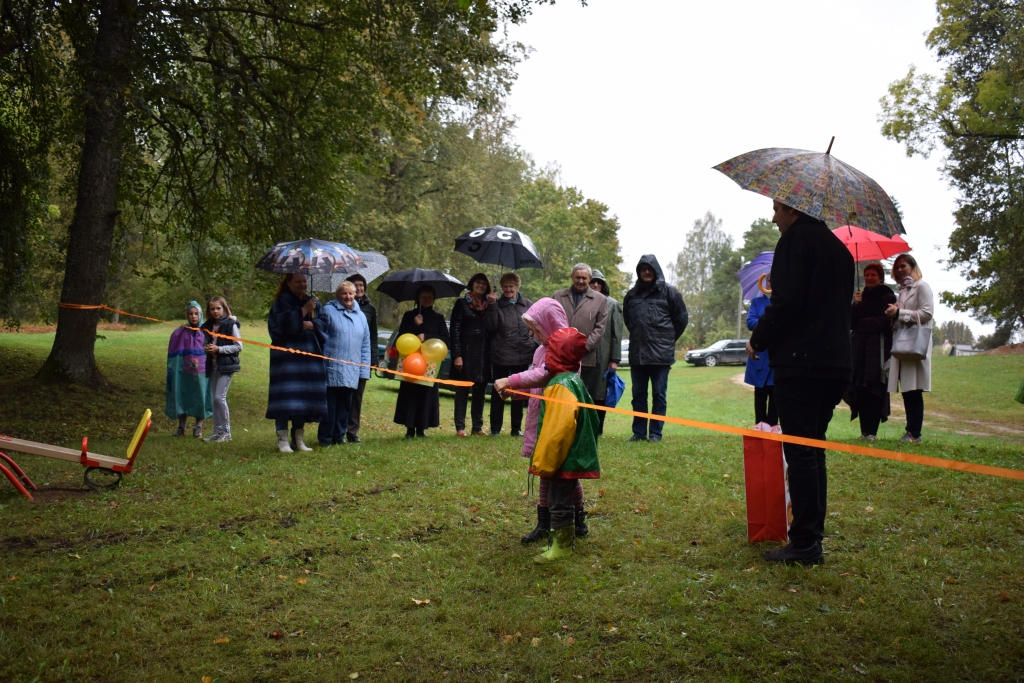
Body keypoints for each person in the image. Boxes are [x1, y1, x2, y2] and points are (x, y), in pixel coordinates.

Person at [746, 200, 854, 566]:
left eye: (777, 208)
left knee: (802, 450)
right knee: (813, 447)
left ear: (794, 209)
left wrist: (759, 337)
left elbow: (786, 302)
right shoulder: (840, 248)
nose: (773, 217)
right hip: (835, 363)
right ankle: (811, 536)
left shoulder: (794, 240)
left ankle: (806, 542)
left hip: (802, 363)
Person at [493, 299, 590, 542]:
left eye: (537, 329)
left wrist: (511, 380)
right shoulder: (540, 351)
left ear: (551, 324)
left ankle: (577, 520)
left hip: (558, 421)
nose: (533, 335)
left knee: (566, 474)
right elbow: (536, 382)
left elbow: (545, 374)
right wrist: (516, 391)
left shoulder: (565, 351)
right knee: (545, 471)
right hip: (543, 418)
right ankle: (544, 522)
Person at [526, 327, 600, 564]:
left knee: (559, 503)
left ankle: (562, 547)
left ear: (556, 354)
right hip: (568, 455)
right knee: (561, 500)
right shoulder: (573, 380)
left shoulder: (560, 386)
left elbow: (558, 430)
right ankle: (560, 542)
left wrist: (547, 461)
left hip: (562, 458)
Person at [621, 255, 688, 442]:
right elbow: (629, 320)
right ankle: (639, 433)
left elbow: (681, 319)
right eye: (643, 269)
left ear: (656, 270)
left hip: (661, 356)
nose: (646, 272)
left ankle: (656, 433)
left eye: (649, 268)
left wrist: (666, 340)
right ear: (639, 272)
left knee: (659, 395)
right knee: (638, 395)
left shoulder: (670, 292)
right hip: (638, 354)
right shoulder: (632, 295)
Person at [266, 273, 329, 453]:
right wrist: (303, 310)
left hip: (309, 357)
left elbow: (325, 322)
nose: (302, 285)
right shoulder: (282, 301)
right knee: (285, 397)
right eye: (298, 282)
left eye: (304, 281)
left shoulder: (314, 302)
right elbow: (282, 326)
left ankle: (298, 439)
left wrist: (309, 324)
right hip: (286, 358)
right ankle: (282, 440)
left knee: (303, 397)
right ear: (288, 282)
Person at [845, 262, 897, 440]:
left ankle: (872, 431)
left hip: (877, 349)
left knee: (874, 388)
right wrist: (855, 305)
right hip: (859, 350)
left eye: (873, 275)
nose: (869, 278)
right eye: (867, 275)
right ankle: (864, 431)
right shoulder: (861, 296)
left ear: (880, 277)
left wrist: (862, 324)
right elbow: (851, 322)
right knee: (860, 388)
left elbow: (884, 321)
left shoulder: (887, 295)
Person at [886, 253, 933, 443]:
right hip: (903, 344)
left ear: (912, 267)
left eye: (903, 266)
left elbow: (927, 313)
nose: (899, 270)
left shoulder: (922, 287)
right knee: (907, 388)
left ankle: (914, 432)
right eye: (897, 267)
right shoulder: (903, 291)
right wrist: (893, 314)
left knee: (914, 389)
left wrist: (900, 313)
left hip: (914, 344)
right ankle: (911, 431)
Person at [393, 285, 450, 438]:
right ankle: (409, 428)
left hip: (430, 363)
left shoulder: (438, 318)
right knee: (410, 393)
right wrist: (414, 325)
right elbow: (401, 337)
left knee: (426, 395)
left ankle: (422, 428)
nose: (427, 299)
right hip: (411, 362)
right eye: (423, 296)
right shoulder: (409, 315)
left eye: (430, 296)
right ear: (417, 298)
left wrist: (427, 336)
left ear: (434, 299)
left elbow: (446, 339)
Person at [319, 281, 371, 447]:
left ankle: (339, 436)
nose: (348, 297)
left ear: (355, 295)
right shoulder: (328, 311)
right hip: (332, 366)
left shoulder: (361, 316)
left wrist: (364, 370)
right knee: (330, 405)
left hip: (352, 369)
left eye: (350, 293)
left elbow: (365, 345)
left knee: (345, 406)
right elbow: (320, 336)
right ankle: (326, 437)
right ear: (337, 295)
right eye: (344, 293)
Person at [485, 272, 535, 436]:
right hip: (501, 355)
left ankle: (516, 428)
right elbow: (491, 327)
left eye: (511, 286)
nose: (508, 290)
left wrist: (532, 337)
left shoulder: (528, 304)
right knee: (499, 391)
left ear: (517, 287)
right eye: (505, 287)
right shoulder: (496, 304)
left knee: (518, 393)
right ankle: (495, 428)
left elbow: (537, 324)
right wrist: (492, 306)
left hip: (523, 354)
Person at [552, 264, 608, 405]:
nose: (581, 281)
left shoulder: (600, 300)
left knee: (580, 397)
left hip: (585, 358)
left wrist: (584, 347)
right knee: (560, 396)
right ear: (572, 277)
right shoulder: (558, 296)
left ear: (590, 278)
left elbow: (600, 327)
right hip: (560, 357)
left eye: (584, 278)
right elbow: (550, 320)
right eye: (577, 277)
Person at [450, 273, 492, 437]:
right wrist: (457, 355)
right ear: (472, 284)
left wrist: (494, 305)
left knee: (480, 391)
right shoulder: (462, 303)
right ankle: (460, 427)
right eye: (477, 282)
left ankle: (477, 427)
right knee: (462, 390)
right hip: (466, 353)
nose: (480, 286)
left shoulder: (489, 305)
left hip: (483, 355)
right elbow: (455, 330)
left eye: (483, 283)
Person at [165, 301, 213, 438]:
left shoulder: (206, 332)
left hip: (202, 372)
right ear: (187, 315)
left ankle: (198, 426)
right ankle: (181, 427)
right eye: (190, 314)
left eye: (196, 313)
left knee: (201, 396)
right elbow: (174, 354)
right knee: (182, 395)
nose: (193, 316)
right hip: (183, 372)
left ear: (200, 314)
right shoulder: (179, 333)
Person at [201, 296, 242, 443]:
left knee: (220, 397)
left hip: (226, 366)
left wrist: (219, 349)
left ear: (224, 309)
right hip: (213, 365)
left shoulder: (231, 325)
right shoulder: (207, 326)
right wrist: (207, 348)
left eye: (218, 308)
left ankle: (226, 432)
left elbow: (238, 346)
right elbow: (205, 343)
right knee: (214, 399)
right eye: (212, 309)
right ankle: (217, 431)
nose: (215, 311)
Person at [588, 269, 623, 435]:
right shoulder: (581, 302)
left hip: (604, 355)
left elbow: (617, 334)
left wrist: (614, 359)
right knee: (584, 390)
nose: (595, 285)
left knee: (600, 393)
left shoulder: (612, 304)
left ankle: (599, 429)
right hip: (584, 355)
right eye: (593, 281)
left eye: (599, 282)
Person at [346, 274, 378, 444]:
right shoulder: (343, 304)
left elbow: (373, 336)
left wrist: (374, 358)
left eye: (361, 285)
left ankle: (352, 431)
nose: (359, 288)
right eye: (355, 285)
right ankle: (339, 428)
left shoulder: (370, 309)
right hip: (345, 357)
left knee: (357, 396)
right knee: (344, 394)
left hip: (362, 358)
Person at [745, 290, 777, 431]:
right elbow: (750, 322)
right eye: (767, 280)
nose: (769, 283)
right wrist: (768, 321)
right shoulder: (757, 301)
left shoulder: (781, 301)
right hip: (760, 357)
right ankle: (760, 432)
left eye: (771, 280)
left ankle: (773, 433)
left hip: (775, 357)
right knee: (759, 399)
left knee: (775, 401)